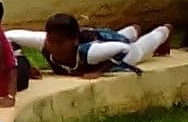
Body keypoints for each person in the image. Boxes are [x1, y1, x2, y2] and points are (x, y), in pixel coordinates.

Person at [15, 11, 171, 78]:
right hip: (101, 39)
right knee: (118, 37)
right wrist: (25, 66)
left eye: (60, 43)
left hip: (122, 53)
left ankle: (165, 30)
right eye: (50, 41)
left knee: (139, 49)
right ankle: (132, 30)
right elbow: (8, 37)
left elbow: (124, 49)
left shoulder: (89, 53)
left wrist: (99, 71)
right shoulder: (44, 43)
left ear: (74, 40)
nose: (54, 47)